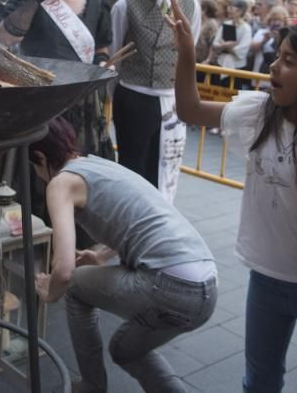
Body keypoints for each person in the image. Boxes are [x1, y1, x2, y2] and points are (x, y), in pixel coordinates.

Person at [170, 7, 297, 393]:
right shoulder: (259, 114)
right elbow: (190, 110)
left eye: (288, 61)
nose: (273, 67)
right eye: (276, 57)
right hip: (264, 280)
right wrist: (186, 52)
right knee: (259, 380)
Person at [30, 117, 217, 393]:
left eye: (34, 166)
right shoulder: (99, 165)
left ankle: (93, 386)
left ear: (40, 157)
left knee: (75, 287)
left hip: (169, 284)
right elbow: (142, 219)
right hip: (207, 285)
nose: (36, 173)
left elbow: (65, 270)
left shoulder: (61, 183)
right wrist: (101, 257)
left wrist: (50, 292)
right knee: (125, 350)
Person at [0, 0, 113, 157]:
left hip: (80, 98)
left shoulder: (96, 2)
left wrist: (103, 62)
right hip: (40, 95)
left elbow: (101, 48)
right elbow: (7, 36)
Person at [110, 0, 201, 202]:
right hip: (133, 98)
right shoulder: (125, 5)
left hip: (172, 101)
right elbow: (115, 58)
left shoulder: (191, 6)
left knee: (166, 172)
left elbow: (189, 53)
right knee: (132, 171)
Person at [210, 0, 252, 90]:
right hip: (221, 63)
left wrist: (225, 46)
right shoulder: (226, 24)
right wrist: (225, 46)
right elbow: (215, 44)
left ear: (240, 11)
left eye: (232, 8)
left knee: (232, 93)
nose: (229, 10)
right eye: (229, 7)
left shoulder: (246, 28)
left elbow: (243, 48)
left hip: (236, 67)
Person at [250, 6, 289, 75]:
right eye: (273, 20)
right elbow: (252, 49)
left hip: (277, 75)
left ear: (284, 22)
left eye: (279, 20)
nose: (276, 23)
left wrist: (278, 39)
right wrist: (264, 41)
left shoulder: (288, 36)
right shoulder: (262, 32)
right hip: (258, 75)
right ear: (269, 20)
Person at [195, 0, 219, 65]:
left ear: (204, 10)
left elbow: (212, 43)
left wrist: (208, 60)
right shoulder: (200, 21)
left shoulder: (212, 24)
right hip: (196, 60)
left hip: (204, 62)